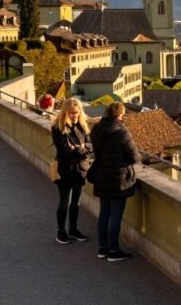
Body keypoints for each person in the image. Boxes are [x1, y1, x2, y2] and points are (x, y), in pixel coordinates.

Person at [89, 102, 140, 262]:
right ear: (120, 115)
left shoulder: (96, 129)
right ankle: (113, 251)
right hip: (119, 179)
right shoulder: (122, 132)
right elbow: (135, 158)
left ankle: (102, 249)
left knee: (104, 212)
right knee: (115, 215)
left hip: (102, 175)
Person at [50, 98, 92, 245]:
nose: (75, 115)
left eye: (77, 112)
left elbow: (91, 146)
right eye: (72, 113)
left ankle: (73, 229)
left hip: (81, 170)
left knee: (76, 202)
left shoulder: (82, 126)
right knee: (65, 202)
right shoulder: (58, 129)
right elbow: (65, 152)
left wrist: (78, 148)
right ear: (65, 112)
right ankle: (61, 232)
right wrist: (82, 148)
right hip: (65, 170)